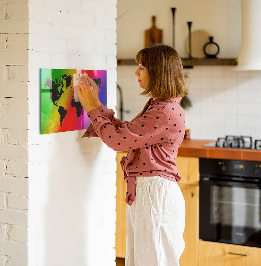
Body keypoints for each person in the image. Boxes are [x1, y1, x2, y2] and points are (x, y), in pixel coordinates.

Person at [75, 44, 187, 266]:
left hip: (155, 195)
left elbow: (118, 141)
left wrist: (90, 108)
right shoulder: (160, 106)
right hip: (150, 193)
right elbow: (126, 133)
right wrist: (96, 104)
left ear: (158, 72)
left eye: (142, 67)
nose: (136, 72)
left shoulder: (164, 111)